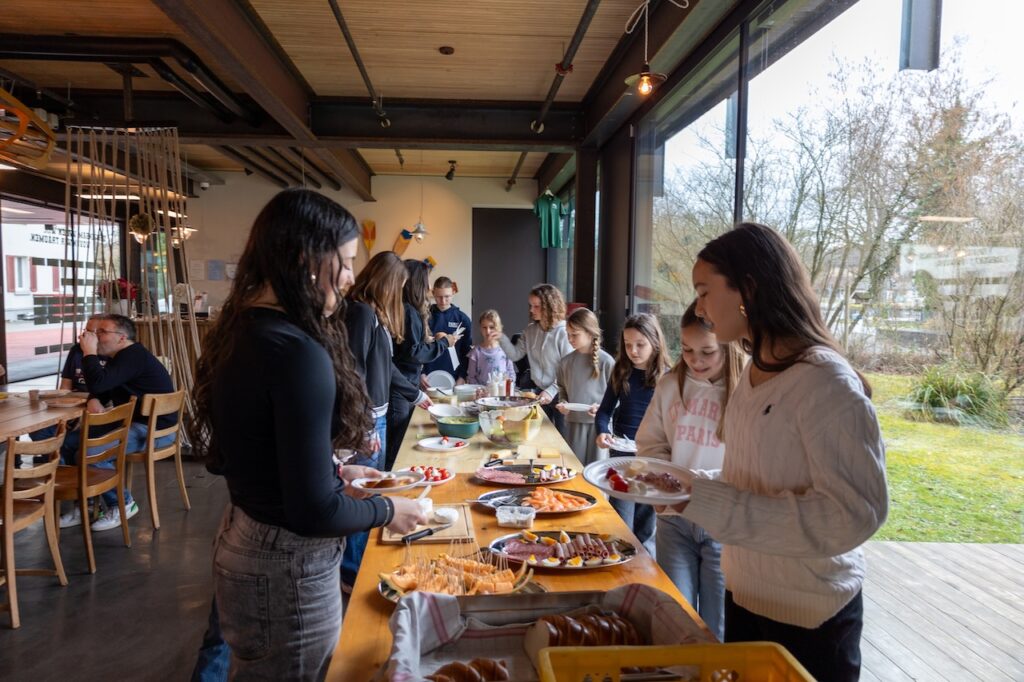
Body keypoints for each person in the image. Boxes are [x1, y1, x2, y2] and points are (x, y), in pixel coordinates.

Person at [189, 189, 425, 679]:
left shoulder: (241, 329)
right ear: (304, 258)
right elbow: (313, 510)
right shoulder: (297, 351)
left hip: (244, 535)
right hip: (287, 563)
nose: (350, 277)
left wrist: (333, 470)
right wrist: (389, 510)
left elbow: (260, 449)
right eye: (344, 261)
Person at [677, 222, 888, 681]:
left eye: (705, 291)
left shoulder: (825, 382)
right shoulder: (756, 372)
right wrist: (681, 486)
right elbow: (750, 481)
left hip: (811, 623)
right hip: (745, 598)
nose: (700, 308)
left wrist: (706, 500)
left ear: (748, 289)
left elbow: (853, 514)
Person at [635, 300, 744, 640]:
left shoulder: (746, 392)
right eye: (687, 350)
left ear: (728, 346)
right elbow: (651, 442)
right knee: (676, 618)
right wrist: (658, 487)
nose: (696, 360)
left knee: (716, 626)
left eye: (707, 352)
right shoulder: (670, 385)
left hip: (721, 523)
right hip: (674, 520)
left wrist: (699, 489)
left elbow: (749, 465)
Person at [343, 251, 430, 587]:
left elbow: (387, 368)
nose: (401, 294)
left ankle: (360, 563)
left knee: (371, 493)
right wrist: (363, 426)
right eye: (400, 286)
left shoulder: (374, 314)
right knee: (363, 496)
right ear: (387, 283)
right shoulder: (361, 314)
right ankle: (351, 571)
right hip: (367, 419)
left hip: (374, 417)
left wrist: (416, 395)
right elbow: (354, 373)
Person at [58, 313, 176, 532]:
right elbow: (105, 387)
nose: (94, 336)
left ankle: (122, 503)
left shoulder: (133, 356)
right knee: (68, 442)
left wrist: (89, 353)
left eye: (102, 332)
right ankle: (86, 503)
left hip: (154, 430)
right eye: (94, 332)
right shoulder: (122, 357)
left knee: (90, 453)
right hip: (134, 425)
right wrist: (94, 398)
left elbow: (100, 383)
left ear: (122, 337)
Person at [595, 313, 671, 550]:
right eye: (628, 345)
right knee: (622, 521)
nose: (633, 351)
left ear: (655, 342)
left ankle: (641, 565)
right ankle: (622, 560)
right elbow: (604, 411)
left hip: (653, 458)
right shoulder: (621, 371)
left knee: (645, 527)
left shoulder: (668, 377)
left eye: (640, 344)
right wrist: (602, 431)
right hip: (622, 456)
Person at [386, 259, 461, 469]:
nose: (428, 287)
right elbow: (413, 352)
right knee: (397, 446)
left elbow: (408, 346)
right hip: (401, 388)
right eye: (426, 281)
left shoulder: (406, 309)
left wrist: (430, 340)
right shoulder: (409, 311)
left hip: (404, 385)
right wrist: (444, 343)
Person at [497, 283, 573, 430]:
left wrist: (551, 391)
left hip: (562, 395)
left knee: (561, 437)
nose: (532, 310)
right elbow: (515, 354)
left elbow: (569, 370)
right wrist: (500, 337)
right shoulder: (530, 331)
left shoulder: (564, 333)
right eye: (531, 306)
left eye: (537, 306)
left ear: (550, 306)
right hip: (540, 393)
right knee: (540, 432)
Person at [554, 308, 613, 466]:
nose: (569, 339)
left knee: (597, 470)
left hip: (599, 426)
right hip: (573, 423)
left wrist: (602, 408)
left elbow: (618, 397)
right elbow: (562, 388)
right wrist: (563, 402)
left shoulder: (607, 362)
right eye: (568, 334)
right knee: (574, 468)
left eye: (575, 334)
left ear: (590, 333)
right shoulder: (565, 362)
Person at [421, 276, 473, 385]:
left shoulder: (463, 319)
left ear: (453, 293)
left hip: (454, 375)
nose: (443, 301)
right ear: (433, 293)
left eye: (447, 296)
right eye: (439, 297)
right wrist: (420, 373)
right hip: (427, 375)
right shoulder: (424, 316)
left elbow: (466, 352)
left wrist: (462, 376)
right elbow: (417, 347)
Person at [465, 309, 516, 387]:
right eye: (484, 327)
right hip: (482, 393)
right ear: (480, 328)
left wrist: (507, 386)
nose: (488, 331)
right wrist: (481, 390)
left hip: (501, 392)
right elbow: (471, 378)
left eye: (491, 327)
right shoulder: (475, 352)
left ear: (498, 328)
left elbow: (511, 374)